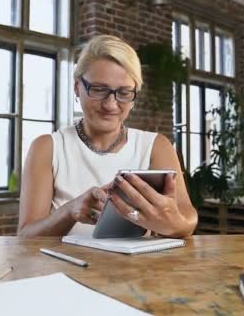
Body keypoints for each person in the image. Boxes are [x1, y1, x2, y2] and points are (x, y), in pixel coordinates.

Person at [17, 35, 197, 238]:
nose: (111, 104)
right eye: (99, 89)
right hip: (65, 267)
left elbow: (187, 218)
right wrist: (70, 211)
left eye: (124, 93)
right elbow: (25, 238)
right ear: (77, 87)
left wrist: (174, 223)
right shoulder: (48, 147)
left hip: (138, 269)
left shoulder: (156, 146)